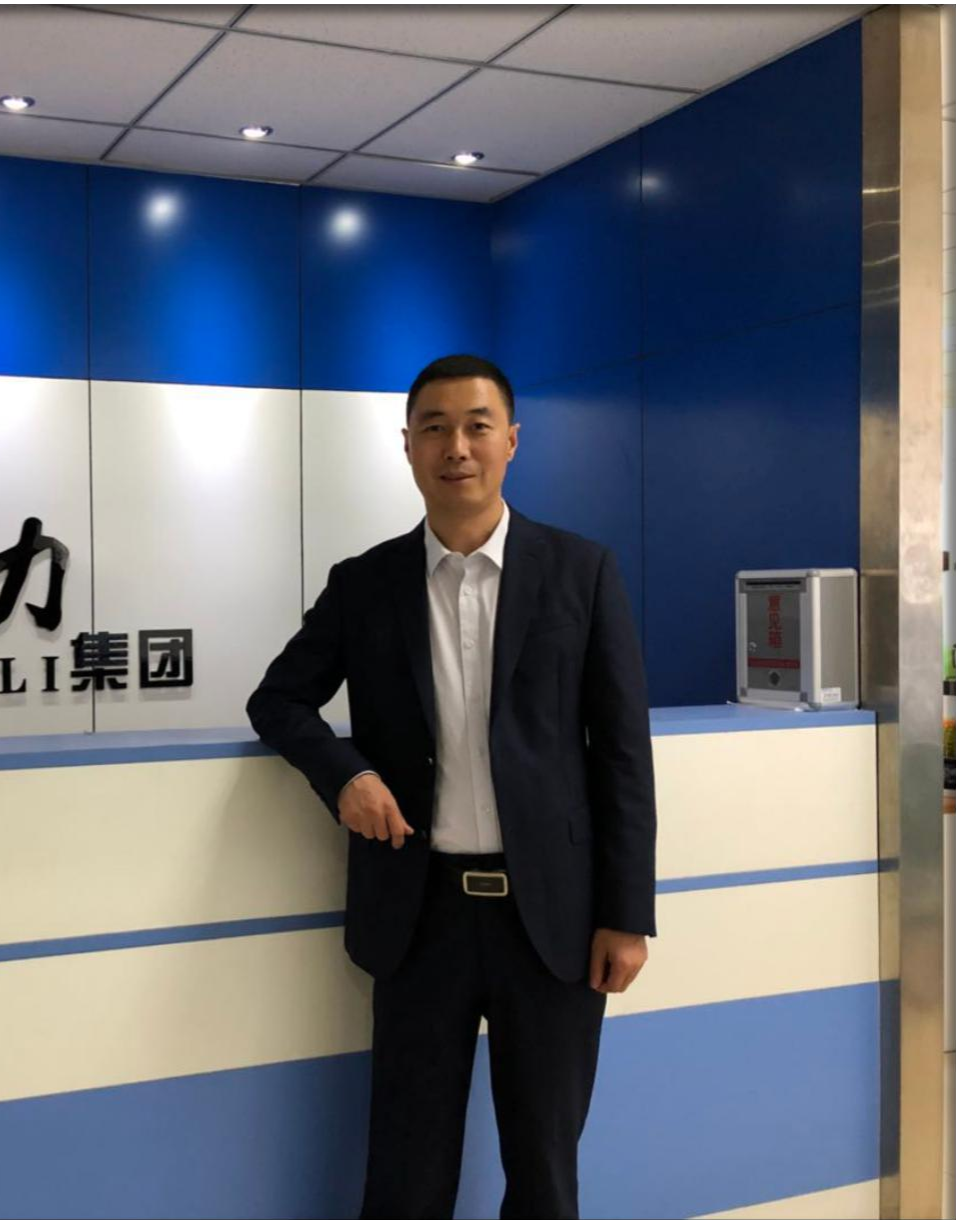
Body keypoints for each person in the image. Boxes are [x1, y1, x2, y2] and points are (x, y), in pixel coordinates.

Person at [246, 353, 657, 1219]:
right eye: (434, 428)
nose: (456, 447)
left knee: (544, 1171)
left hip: (553, 922)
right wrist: (347, 773)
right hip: (418, 915)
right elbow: (277, 700)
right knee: (406, 1172)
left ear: (512, 440)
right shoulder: (365, 584)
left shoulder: (581, 572)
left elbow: (623, 752)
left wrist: (627, 912)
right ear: (408, 446)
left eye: (477, 426)